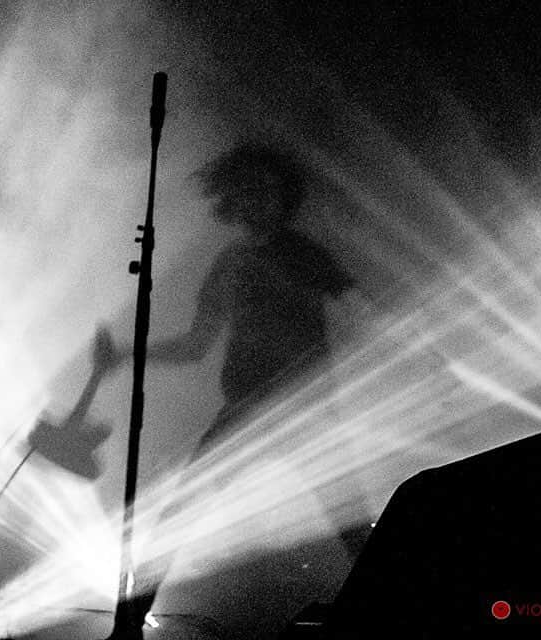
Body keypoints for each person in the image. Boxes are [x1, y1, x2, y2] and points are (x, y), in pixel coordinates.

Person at [121, 141, 370, 627]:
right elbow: (197, 344)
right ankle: (129, 622)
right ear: (236, 198)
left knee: (352, 523)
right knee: (179, 513)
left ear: (283, 198)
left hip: (305, 409)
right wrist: (129, 356)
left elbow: (360, 308)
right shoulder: (230, 262)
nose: (259, 200)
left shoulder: (304, 254)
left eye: (268, 191)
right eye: (251, 191)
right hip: (245, 408)